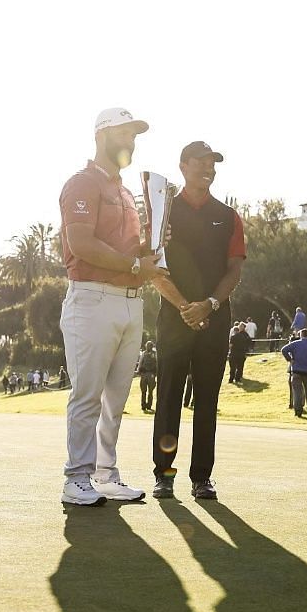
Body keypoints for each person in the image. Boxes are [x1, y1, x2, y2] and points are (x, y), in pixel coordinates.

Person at [57, 106, 191, 506]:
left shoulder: (125, 192)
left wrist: (153, 243)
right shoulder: (82, 184)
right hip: (92, 298)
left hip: (131, 302)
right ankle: (76, 478)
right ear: (101, 136)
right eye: (123, 134)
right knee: (87, 394)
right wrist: (135, 263)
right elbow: (81, 243)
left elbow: (131, 250)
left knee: (116, 397)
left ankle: (104, 473)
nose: (130, 142)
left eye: (134, 136)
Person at [147, 140, 246, 501]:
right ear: (183, 166)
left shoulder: (228, 215)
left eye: (212, 164)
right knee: (169, 396)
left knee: (206, 400)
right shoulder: (163, 213)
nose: (208, 169)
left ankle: (202, 478)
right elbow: (154, 267)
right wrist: (186, 306)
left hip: (215, 317)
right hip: (174, 318)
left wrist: (209, 304)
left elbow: (235, 269)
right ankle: (164, 474)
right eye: (201, 163)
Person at [280, 328, 307, 416]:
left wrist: (289, 359)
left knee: (297, 391)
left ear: (301, 335)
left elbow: (283, 350)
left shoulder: (295, 344)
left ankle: (298, 411)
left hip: (296, 370)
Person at [137, 340, 159, 411]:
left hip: (151, 374)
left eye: (149, 346)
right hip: (144, 374)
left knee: (150, 391)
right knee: (143, 391)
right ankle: (143, 405)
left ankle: (149, 405)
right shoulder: (144, 353)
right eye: (147, 346)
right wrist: (139, 370)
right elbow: (140, 362)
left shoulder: (155, 354)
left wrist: (156, 373)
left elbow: (157, 364)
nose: (148, 347)